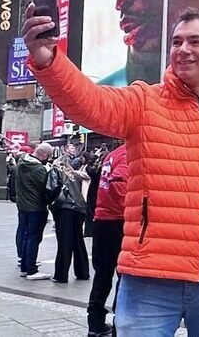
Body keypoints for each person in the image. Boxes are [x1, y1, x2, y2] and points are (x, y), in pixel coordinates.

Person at [23, 6, 199, 335]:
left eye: (195, 41)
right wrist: (47, 59)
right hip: (149, 279)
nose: (183, 49)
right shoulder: (144, 102)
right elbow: (89, 102)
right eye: (176, 42)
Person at [88, 143, 128, 337]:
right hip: (118, 221)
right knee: (124, 275)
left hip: (103, 219)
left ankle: (94, 324)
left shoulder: (113, 154)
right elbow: (119, 184)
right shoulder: (129, 154)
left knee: (102, 275)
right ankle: (118, 325)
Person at [47, 149, 90, 283]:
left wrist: (50, 203)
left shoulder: (55, 171)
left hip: (64, 208)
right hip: (79, 208)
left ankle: (61, 274)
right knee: (78, 240)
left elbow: (51, 188)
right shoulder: (74, 174)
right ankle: (83, 272)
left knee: (64, 241)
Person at [15, 142, 53, 280]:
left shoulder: (21, 162)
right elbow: (46, 188)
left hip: (23, 205)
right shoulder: (37, 169)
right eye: (48, 156)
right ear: (43, 154)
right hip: (36, 207)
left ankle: (25, 267)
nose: (48, 158)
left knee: (26, 236)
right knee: (33, 238)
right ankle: (31, 269)